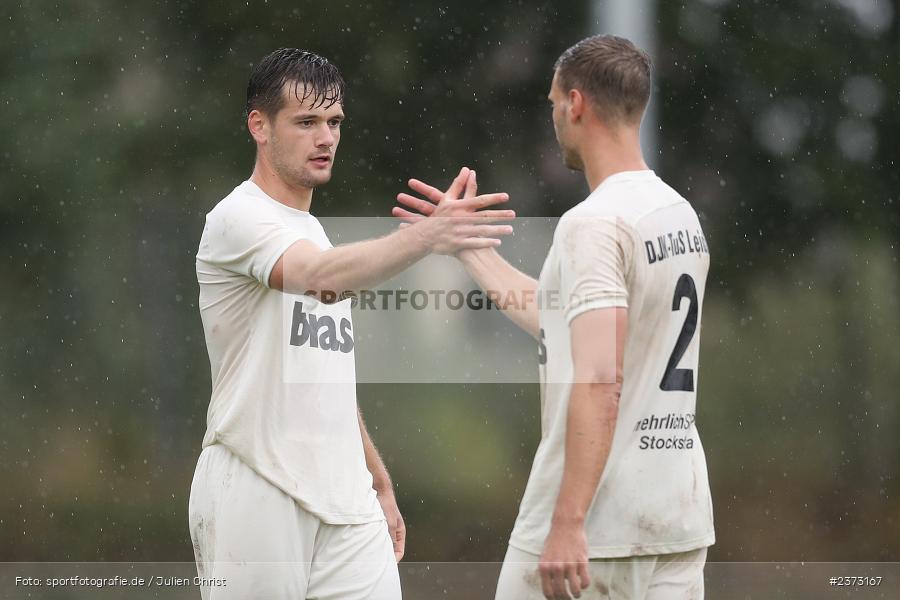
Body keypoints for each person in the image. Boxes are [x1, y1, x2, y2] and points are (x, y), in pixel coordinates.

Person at [394, 35, 715, 600]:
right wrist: (469, 247)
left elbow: (598, 378)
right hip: (676, 517)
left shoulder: (592, 224)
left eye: (550, 104)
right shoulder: (677, 214)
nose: (553, 120)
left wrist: (567, 524)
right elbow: (565, 323)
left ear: (575, 104)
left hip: (596, 528)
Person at [189, 48, 514, 600]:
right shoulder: (236, 218)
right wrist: (425, 237)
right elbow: (321, 277)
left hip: (347, 503)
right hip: (257, 484)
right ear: (258, 126)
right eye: (307, 122)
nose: (326, 138)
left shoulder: (316, 232)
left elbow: (326, 379)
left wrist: (378, 481)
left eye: (334, 122)